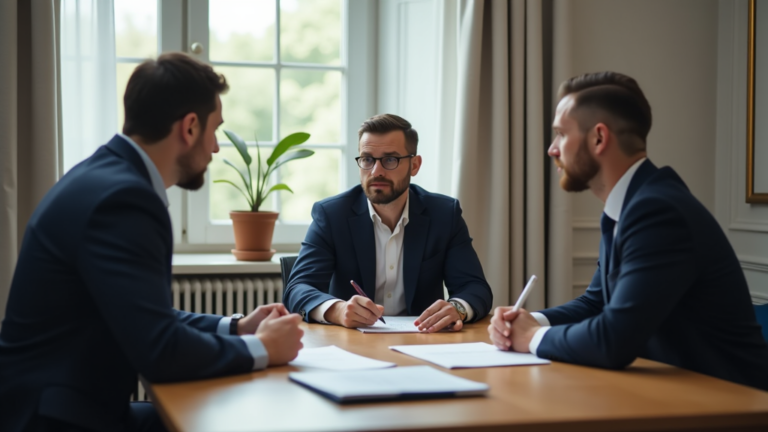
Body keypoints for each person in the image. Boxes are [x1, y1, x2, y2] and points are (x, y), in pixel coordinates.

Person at [0, 52, 304, 432]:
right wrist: (262, 348)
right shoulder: (124, 199)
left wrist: (237, 327)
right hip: (56, 419)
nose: (215, 148)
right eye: (215, 130)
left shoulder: (104, 175)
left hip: (57, 403)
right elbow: (160, 350)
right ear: (190, 127)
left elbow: (141, 317)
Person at [488, 71, 768, 391]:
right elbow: (596, 303)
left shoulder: (658, 211)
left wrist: (532, 337)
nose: (552, 149)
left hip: (733, 403)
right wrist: (527, 322)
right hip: (681, 394)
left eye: (561, 135)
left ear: (598, 138)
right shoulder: (635, 201)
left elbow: (614, 340)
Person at [283, 114, 493, 332]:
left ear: (414, 165)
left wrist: (457, 308)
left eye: (390, 160)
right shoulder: (332, 215)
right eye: (367, 159)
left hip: (423, 343)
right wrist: (338, 310)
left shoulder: (443, 215)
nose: (376, 171)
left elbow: (474, 287)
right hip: (351, 344)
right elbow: (298, 288)